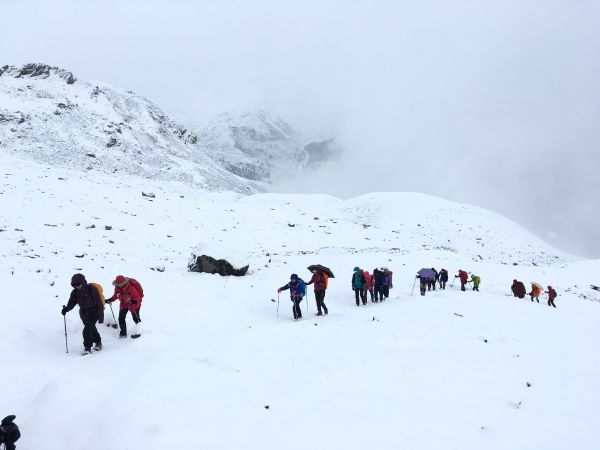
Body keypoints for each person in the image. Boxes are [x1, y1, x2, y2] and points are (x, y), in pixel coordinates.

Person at [61, 273, 104, 354]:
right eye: (75, 285)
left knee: (86, 330)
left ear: (83, 282)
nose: (77, 287)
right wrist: (66, 309)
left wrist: (101, 317)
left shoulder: (92, 289)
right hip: (84, 314)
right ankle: (98, 342)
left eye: (78, 285)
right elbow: (72, 303)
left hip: (94, 312)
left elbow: (99, 303)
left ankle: (87, 347)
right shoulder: (74, 292)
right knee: (92, 328)